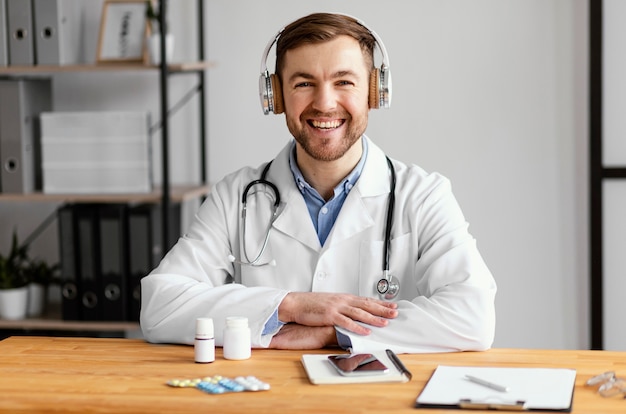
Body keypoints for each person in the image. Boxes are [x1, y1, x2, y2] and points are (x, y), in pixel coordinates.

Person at [140, 12, 496, 354]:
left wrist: (335, 332)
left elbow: (473, 315)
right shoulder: (237, 196)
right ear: (276, 96)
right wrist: (291, 306)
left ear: (374, 91)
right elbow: (160, 306)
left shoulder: (423, 196)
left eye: (344, 82)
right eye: (304, 83)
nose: (325, 103)